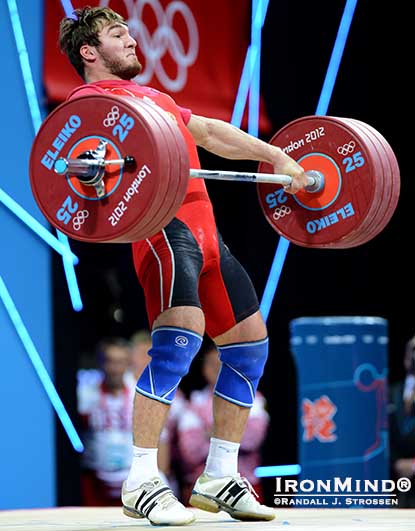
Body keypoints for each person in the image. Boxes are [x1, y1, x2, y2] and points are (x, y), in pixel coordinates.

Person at [59, 6, 308, 525]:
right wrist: (91, 168)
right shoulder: (88, 106)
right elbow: (75, 169)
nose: (131, 39)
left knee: (249, 347)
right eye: (116, 33)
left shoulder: (155, 99)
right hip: (163, 229)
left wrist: (278, 158)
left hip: (208, 233)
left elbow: (213, 134)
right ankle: (142, 479)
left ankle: (219, 475)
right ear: (89, 52)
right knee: (179, 342)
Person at [176, 345, 270, 503]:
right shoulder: (193, 403)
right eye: (212, 364)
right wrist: (233, 431)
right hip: (202, 490)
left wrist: (209, 433)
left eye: (221, 364)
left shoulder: (251, 398)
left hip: (245, 487)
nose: (217, 368)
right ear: (204, 368)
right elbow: (190, 451)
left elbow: (252, 438)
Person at [77, 337, 135, 506]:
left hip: (130, 481)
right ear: (100, 363)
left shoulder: (138, 396)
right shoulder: (85, 396)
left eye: (120, 362)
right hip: (95, 483)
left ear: (128, 363)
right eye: (110, 362)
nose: (115, 369)